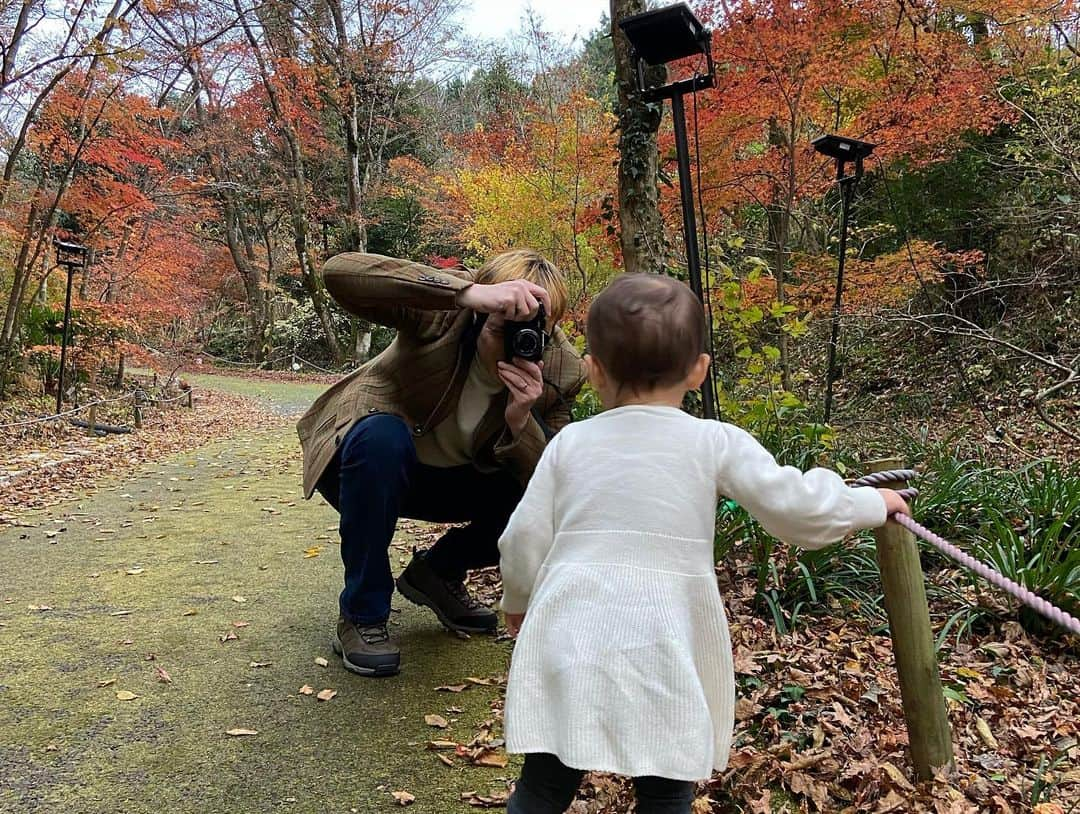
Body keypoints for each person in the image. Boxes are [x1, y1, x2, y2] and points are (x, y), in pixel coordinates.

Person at [497, 273, 910, 813]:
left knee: (544, 786)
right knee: (666, 788)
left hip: (572, 629)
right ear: (699, 370)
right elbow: (797, 509)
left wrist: (519, 602)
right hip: (667, 636)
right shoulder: (712, 441)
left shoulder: (570, 444)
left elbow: (523, 537)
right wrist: (871, 504)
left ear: (594, 370)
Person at [297, 250, 585, 678]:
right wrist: (465, 293)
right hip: (364, 467)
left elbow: (554, 485)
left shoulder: (561, 371)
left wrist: (519, 422)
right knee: (382, 438)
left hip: (451, 484)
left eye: (534, 329)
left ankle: (437, 573)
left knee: (548, 495)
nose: (517, 340)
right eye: (505, 323)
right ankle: (362, 612)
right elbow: (339, 273)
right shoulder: (443, 315)